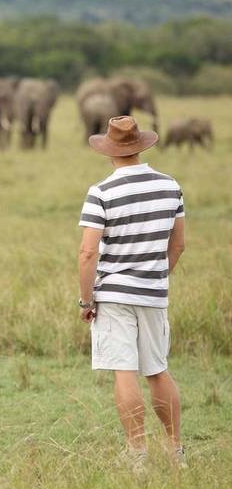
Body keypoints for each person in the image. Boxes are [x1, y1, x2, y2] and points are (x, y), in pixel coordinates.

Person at [77, 116, 186, 470]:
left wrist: (87, 299)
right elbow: (179, 245)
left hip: (113, 293)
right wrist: (155, 276)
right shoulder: (171, 186)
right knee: (157, 369)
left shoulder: (102, 192)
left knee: (124, 371)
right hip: (153, 292)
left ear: (109, 151)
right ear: (141, 146)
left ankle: (137, 454)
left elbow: (87, 253)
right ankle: (175, 450)